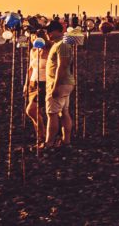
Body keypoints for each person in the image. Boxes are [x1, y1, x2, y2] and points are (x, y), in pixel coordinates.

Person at [43, 22, 76, 150]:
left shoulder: (62, 44)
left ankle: (49, 143)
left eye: (49, 32)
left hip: (59, 83)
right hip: (66, 83)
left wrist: (55, 86)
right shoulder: (59, 44)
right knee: (64, 112)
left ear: (57, 31)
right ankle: (66, 141)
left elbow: (62, 66)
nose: (48, 35)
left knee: (52, 114)